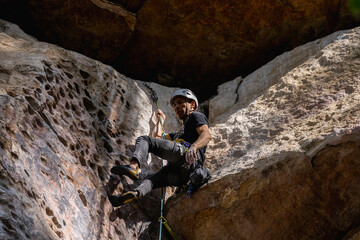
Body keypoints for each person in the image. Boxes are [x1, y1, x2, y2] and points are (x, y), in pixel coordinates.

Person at [108, 89, 212, 206]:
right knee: (152, 179)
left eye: (180, 102)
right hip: (182, 176)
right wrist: (160, 120)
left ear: (192, 104)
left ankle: (133, 166)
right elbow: (157, 137)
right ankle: (135, 193)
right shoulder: (178, 134)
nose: (176, 106)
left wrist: (194, 147)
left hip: (186, 155)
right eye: (174, 105)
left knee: (144, 139)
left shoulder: (196, 116)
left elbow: (207, 134)